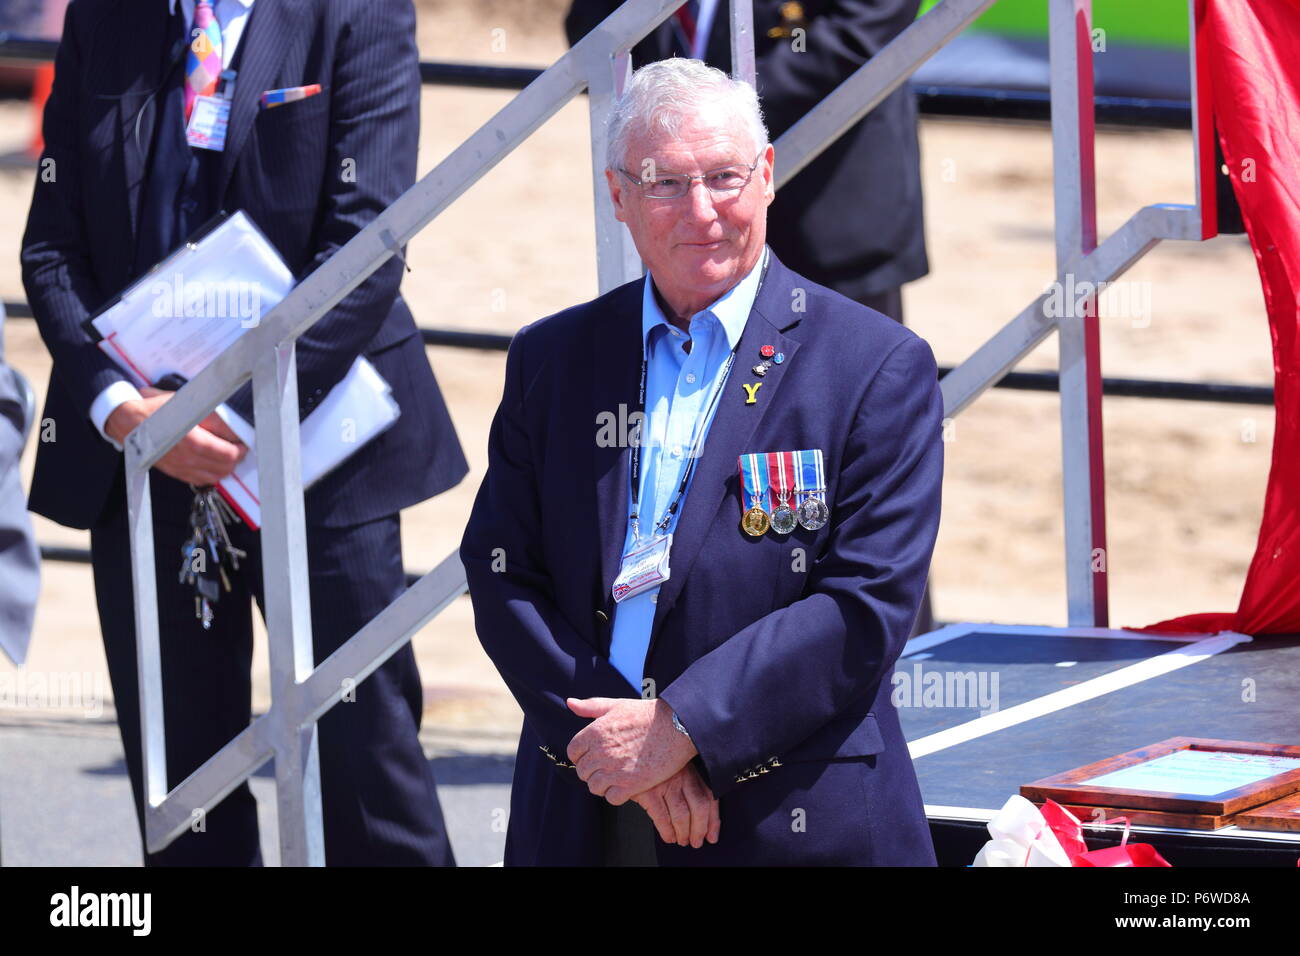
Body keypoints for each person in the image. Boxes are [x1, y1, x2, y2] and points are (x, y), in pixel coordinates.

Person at [460, 58, 941, 865]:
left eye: (725, 177)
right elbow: (502, 571)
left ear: (767, 177)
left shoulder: (874, 365)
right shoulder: (553, 358)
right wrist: (623, 751)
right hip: (590, 808)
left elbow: (863, 607)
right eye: (665, 185)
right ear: (618, 197)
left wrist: (678, 729)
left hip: (788, 816)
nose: (703, 211)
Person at [20, 0, 467, 865]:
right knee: (184, 786)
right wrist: (121, 407)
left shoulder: (358, 12)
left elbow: (367, 242)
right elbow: (51, 246)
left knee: (368, 761)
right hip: (144, 450)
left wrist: (226, 417)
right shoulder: (106, 17)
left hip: (321, 443)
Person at [565, 0, 935, 633]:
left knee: (841, 482)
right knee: (688, 467)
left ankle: (888, 673)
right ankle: (690, 678)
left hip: (830, 211)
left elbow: (872, 21)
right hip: (684, 217)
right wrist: (678, 140)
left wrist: (717, 122)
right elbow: (595, 27)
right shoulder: (549, 354)